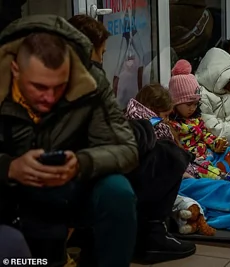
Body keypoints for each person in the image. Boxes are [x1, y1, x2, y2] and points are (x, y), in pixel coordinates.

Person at [0, 15, 138, 267]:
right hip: (10, 187)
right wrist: (9, 167)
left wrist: (83, 162)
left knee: (117, 192)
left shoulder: (91, 79)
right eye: (39, 87)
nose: (50, 98)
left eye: (59, 86)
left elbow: (126, 148)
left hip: (72, 179)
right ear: (16, 70)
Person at [68, 15, 197, 264]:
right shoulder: (80, 81)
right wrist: (144, 132)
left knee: (163, 152)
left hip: (93, 159)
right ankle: (152, 235)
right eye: (101, 53)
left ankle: (149, 232)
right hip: (86, 167)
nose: (101, 60)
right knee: (169, 156)